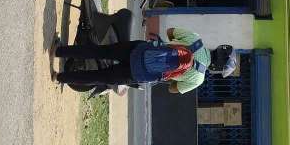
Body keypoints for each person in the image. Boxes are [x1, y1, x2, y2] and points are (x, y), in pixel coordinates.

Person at [52, 26, 237, 92]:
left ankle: (59, 51)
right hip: (138, 73)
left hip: (139, 50)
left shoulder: (196, 40)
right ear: (216, 68)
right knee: (99, 77)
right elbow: (173, 89)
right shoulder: (198, 79)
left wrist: (171, 49)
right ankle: (59, 77)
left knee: (100, 51)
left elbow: (170, 31)